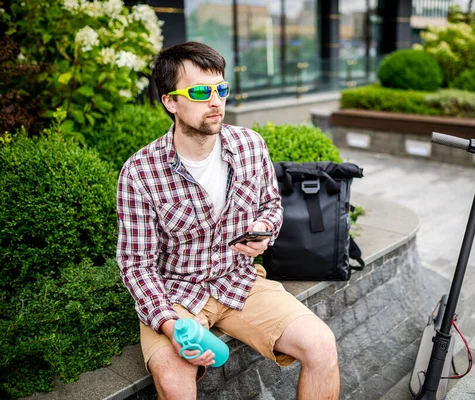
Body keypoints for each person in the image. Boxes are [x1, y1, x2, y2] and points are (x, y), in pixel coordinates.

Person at [116, 41, 340, 400]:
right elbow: (136, 265)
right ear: (170, 101)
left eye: (221, 89)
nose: (216, 100)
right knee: (174, 383)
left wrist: (265, 231)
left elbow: (270, 205)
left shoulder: (251, 145)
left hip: (241, 280)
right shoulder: (139, 172)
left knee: (322, 344)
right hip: (177, 293)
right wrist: (171, 326)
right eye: (201, 91)